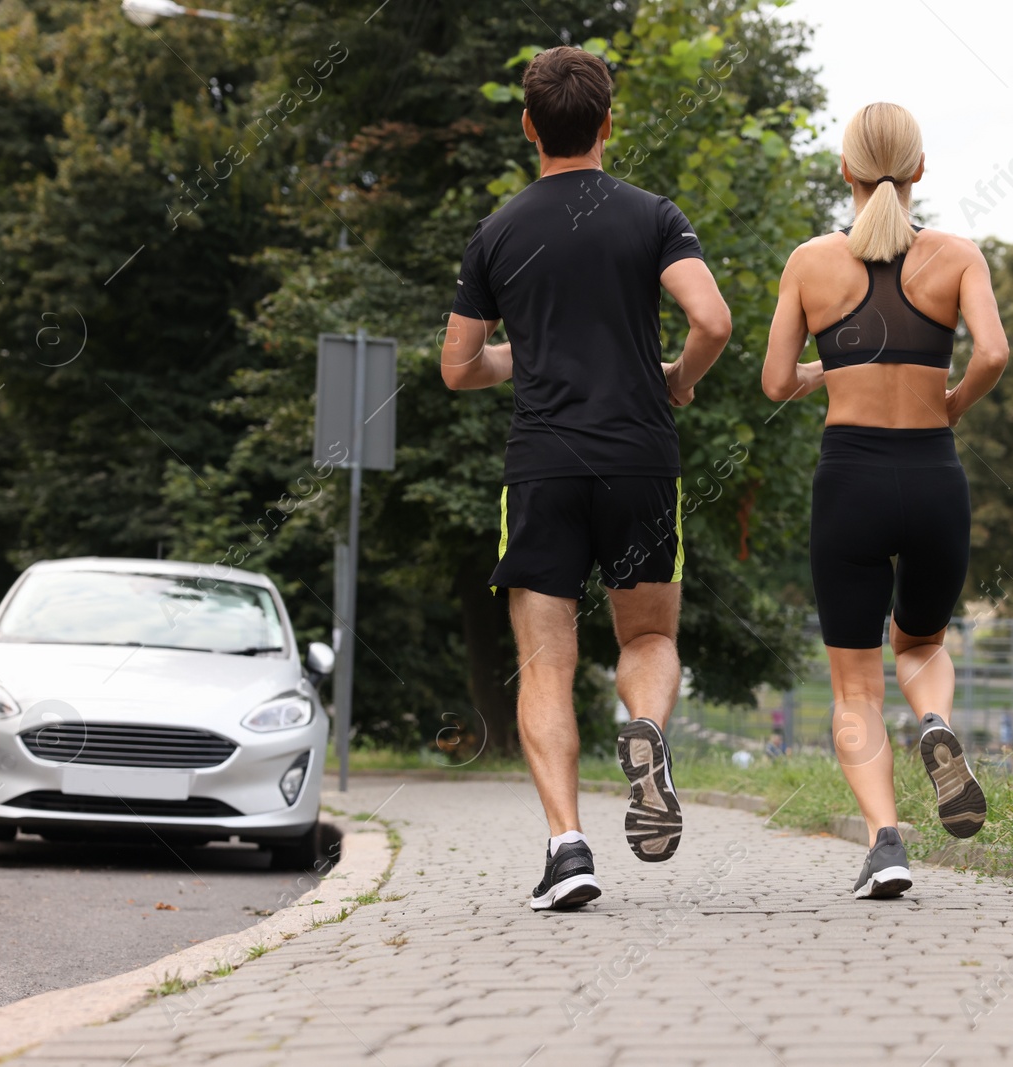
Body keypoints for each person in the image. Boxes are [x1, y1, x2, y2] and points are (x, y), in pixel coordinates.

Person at [440, 47, 731, 911]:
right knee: (646, 639)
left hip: (543, 466)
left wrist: (522, 349)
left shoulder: (497, 232)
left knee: (545, 663)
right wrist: (679, 375)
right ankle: (645, 731)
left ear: (530, 126)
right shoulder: (652, 216)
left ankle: (569, 847)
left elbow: (458, 367)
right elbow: (711, 318)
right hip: (641, 456)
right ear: (609, 123)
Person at [761, 102, 1009, 899]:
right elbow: (994, 351)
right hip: (934, 476)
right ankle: (935, 725)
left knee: (854, 685)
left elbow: (772, 382)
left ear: (845, 171)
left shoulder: (809, 262)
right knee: (922, 643)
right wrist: (954, 403)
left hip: (851, 482)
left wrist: (827, 372)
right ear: (921, 169)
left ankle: (887, 842)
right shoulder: (957, 255)